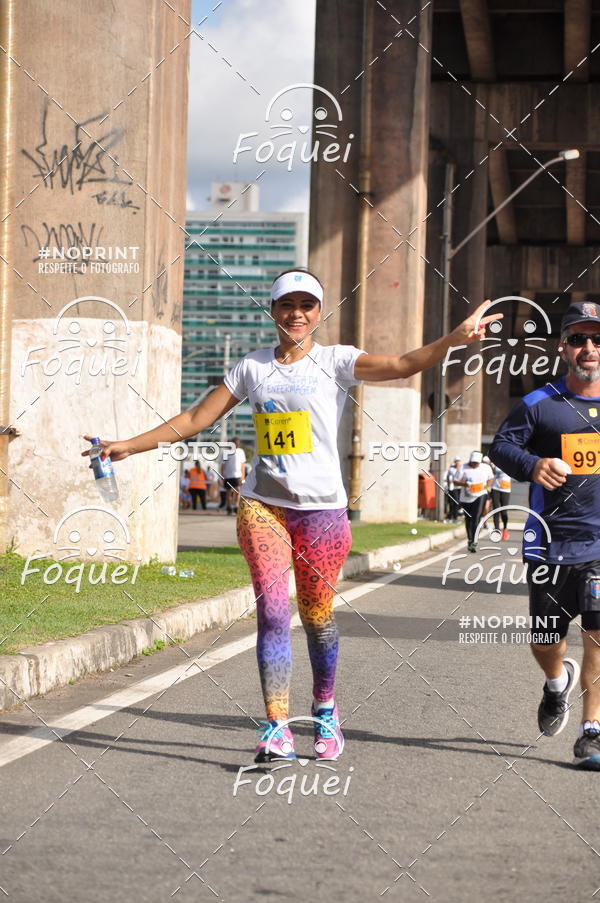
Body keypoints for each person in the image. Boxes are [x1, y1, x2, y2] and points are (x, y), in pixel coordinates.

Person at [83, 268, 498, 763]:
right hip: (263, 506)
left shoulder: (337, 361)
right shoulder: (252, 368)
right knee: (273, 613)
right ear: (273, 310)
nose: (296, 314)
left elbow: (405, 364)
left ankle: (325, 711)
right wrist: (129, 444)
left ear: (319, 313)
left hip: (322, 511)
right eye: (286, 305)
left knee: (317, 616)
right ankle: (276, 726)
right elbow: (196, 418)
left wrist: (456, 337)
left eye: (306, 306)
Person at [490, 300, 600, 770]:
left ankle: (591, 731)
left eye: (597, 339)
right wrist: (534, 465)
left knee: (597, 633)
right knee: (545, 640)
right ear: (563, 348)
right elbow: (501, 446)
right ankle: (556, 684)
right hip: (551, 543)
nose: (589, 348)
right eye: (578, 339)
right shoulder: (540, 404)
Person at [453, 451, 493, 552]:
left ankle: (474, 541)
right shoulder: (463, 467)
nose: (475, 464)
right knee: (468, 519)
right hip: (466, 497)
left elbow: (491, 478)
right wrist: (465, 484)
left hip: (480, 494)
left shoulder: (486, 467)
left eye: (477, 462)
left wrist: (487, 486)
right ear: (470, 460)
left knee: (476, 518)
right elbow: (455, 481)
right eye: (473, 462)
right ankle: (470, 539)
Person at [223, 437, 246, 515]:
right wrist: (223, 475)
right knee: (228, 492)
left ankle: (236, 506)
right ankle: (229, 507)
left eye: (237, 443)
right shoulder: (226, 452)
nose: (236, 444)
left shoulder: (240, 451)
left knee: (238, 491)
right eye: (235, 443)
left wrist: (243, 476)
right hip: (228, 475)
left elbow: (243, 465)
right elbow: (223, 465)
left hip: (237, 475)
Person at [490, 464, 511, 540]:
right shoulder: (494, 463)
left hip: (505, 489)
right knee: (496, 510)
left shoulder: (510, 462)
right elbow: (492, 473)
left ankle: (505, 529)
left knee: (504, 512)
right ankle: (497, 531)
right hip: (495, 488)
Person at [443, 457, 462, 522]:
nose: (458, 463)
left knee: (458, 503)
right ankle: (454, 517)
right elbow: (448, 478)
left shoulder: (461, 469)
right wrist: (449, 485)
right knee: (453, 503)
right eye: (457, 461)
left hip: (460, 488)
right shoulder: (451, 469)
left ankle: (450, 516)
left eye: (459, 461)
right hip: (453, 488)